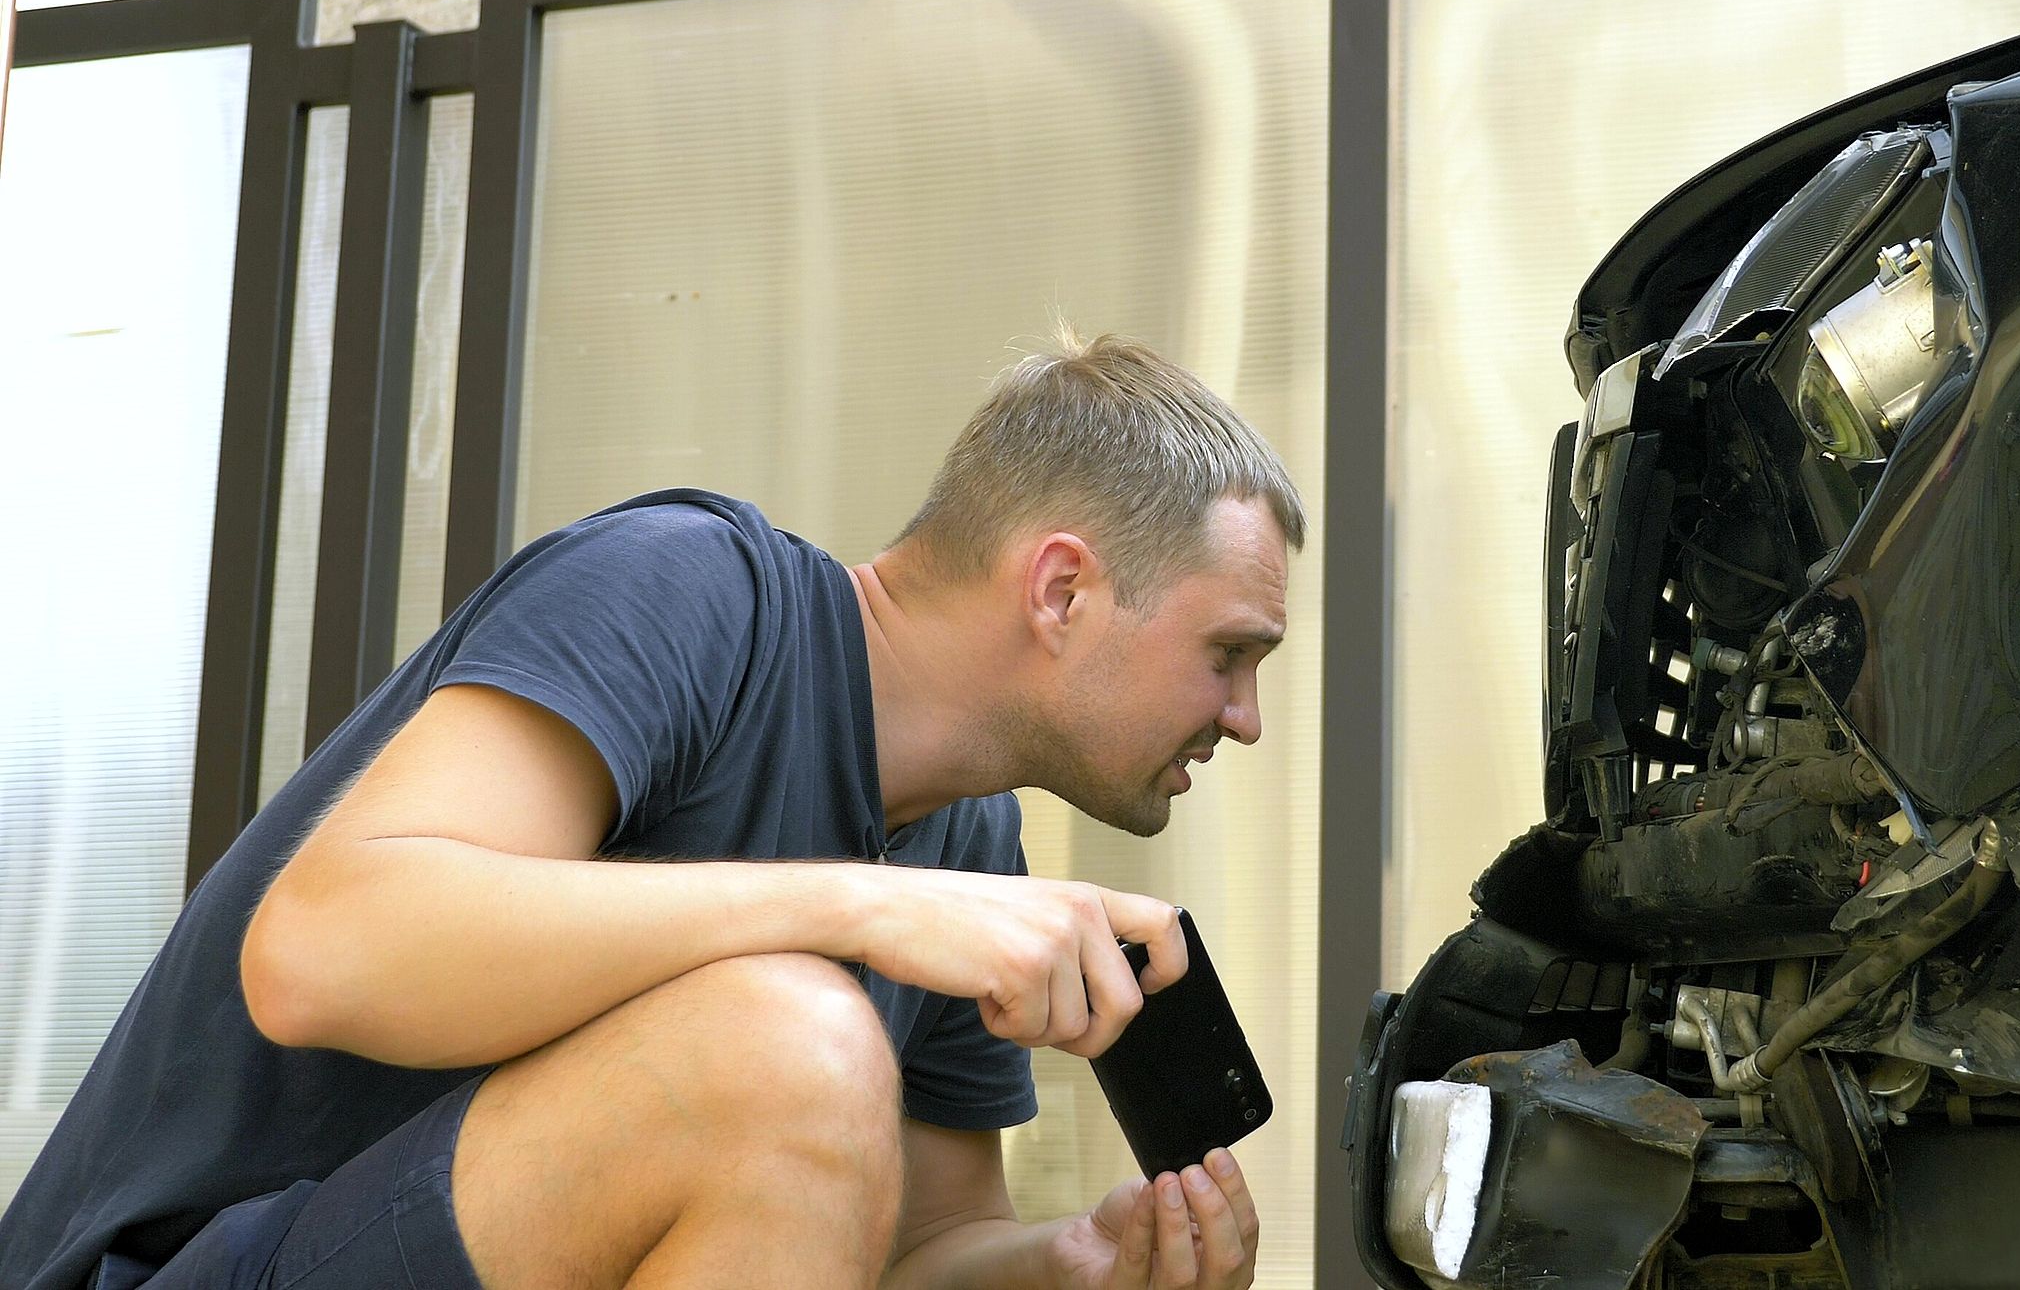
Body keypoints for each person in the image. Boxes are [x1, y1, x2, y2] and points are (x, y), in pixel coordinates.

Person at [0, 330, 1299, 1290]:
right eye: (1230, 654)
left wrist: (1075, 1264)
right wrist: (870, 908)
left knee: (800, 1057)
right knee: (788, 1040)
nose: (1243, 717)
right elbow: (316, 949)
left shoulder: (969, 845)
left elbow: (905, 1249)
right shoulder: (690, 590)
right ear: (1064, 591)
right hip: (182, 1270)